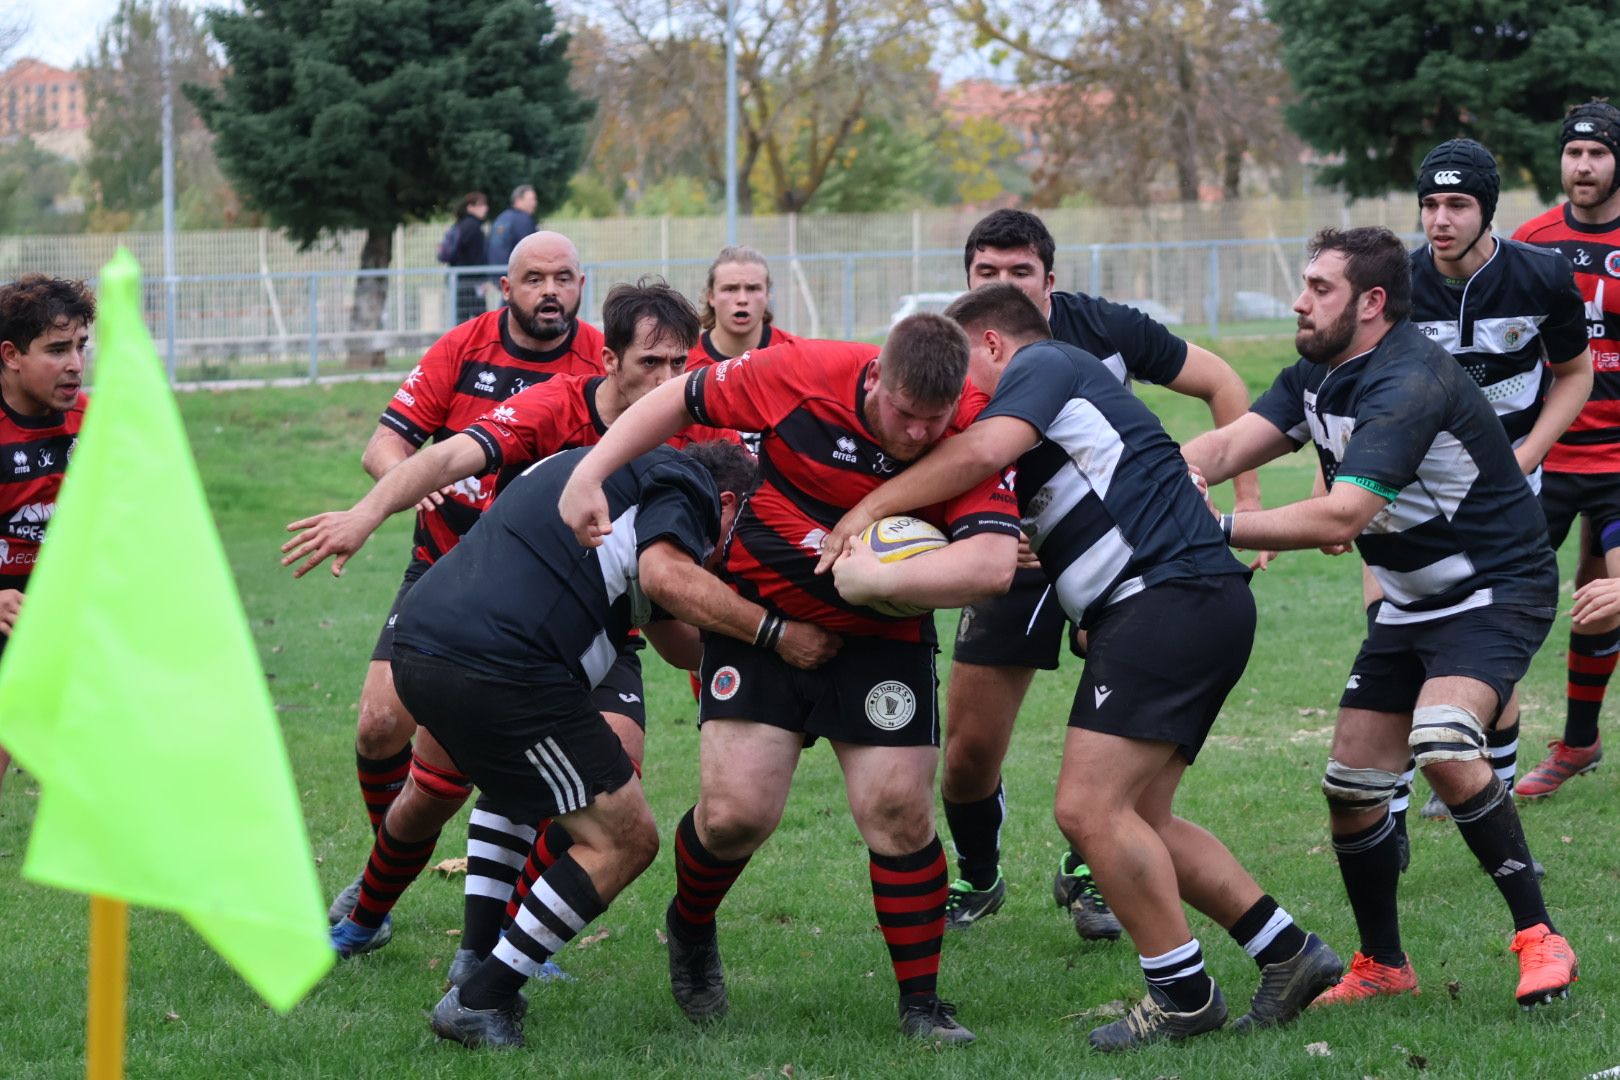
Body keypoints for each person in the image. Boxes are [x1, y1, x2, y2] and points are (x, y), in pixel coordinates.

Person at [814, 284, 1339, 1051]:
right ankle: (1288, 953)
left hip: (1169, 597)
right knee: (1143, 818)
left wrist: (865, 513)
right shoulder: (1049, 418)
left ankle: (1182, 996)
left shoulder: (1048, 361)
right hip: (1182, 602)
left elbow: (983, 451)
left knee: (1088, 809)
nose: (963, 399)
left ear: (991, 344)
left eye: (966, 376)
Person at [558, 317, 1024, 1044]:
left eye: (931, 423)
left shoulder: (971, 427)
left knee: (898, 811)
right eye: (902, 414)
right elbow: (680, 398)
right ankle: (691, 925)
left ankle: (922, 1006)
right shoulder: (802, 374)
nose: (913, 435)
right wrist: (589, 473)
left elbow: (994, 566)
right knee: (735, 817)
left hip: (883, 639)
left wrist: (869, 578)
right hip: (757, 621)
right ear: (875, 379)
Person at [1182, 226, 1578, 1011]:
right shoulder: (1316, 372)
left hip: (1495, 588)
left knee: (1440, 738)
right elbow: (1231, 445)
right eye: (1303, 283)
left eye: (1318, 288)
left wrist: (1209, 527)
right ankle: (1384, 965)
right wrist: (1174, 475)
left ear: (1370, 303)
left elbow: (1342, 518)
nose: (1300, 299)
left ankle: (1540, 936)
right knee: (1352, 785)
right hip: (1410, 600)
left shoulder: (1410, 380)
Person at [283, 281, 736, 961]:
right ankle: (367, 913)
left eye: (681, 365)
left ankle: (504, 940)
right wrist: (366, 513)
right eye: (652, 364)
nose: (671, 381)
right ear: (608, 360)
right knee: (432, 790)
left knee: (612, 779)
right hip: (502, 622)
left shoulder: (694, 426)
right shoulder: (555, 404)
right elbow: (445, 456)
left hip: (607, 633)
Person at [391, 438, 835, 1049]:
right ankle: (478, 999)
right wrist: (776, 633)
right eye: (744, 528)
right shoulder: (685, 482)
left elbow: (676, 637)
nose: (737, 553)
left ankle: (475, 960)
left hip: (420, 646)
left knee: (520, 789)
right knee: (626, 839)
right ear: (727, 500)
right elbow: (667, 577)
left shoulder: (606, 474)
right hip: (502, 665)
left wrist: (767, 677)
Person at [939, 208, 1261, 936]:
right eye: (988, 273)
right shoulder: (957, 348)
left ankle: (1092, 871)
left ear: (1050, 279)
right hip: (1016, 555)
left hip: (1127, 554)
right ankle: (981, 874)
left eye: (1020, 271)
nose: (1005, 283)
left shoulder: (1102, 330)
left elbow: (1222, 382)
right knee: (968, 752)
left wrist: (1231, 490)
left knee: (1110, 761)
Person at [305, 231, 601, 951]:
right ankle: (390, 861)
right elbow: (386, 443)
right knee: (379, 724)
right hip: (442, 568)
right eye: (534, 278)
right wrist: (403, 490)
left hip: (546, 593)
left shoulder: (601, 357)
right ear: (505, 288)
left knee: (521, 762)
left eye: (564, 277)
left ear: (582, 285)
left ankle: (508, 919)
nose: (550, 292)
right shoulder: (462, 347)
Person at [1401, 138, 1592, 824]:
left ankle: (1487, 782)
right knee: (1400, 632)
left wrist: (1529, 455)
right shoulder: (1396, 283)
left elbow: (1575, 373)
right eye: (1429, 204)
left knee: (1484, 637)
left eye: (1457, 204)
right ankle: (1397, 790)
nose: (1440, 219)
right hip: (1412, 496)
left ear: (1488, 210)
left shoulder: (1539, 276)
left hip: (1510, 492)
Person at [1512, 100, 1620, 800]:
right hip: (1544, 459)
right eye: (1574, 154)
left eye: (1599, 154)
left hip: (1618, 464)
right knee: (1502, 605)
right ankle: (1477, 760)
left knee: (1607, 599)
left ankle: (1578, 741)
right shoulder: (1531, 240)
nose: (1584, 166)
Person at [0, 275, 93, 796]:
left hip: (59, 619)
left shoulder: (90, 423)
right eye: (57, 349)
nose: (76, 364)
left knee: (115, 771)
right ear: (11, 355)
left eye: (81, 346)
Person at [439, 191, 490, 324]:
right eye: (481, 205)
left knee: (461, 320)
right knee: (482, 320)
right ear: (470, 207)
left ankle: (462, 344)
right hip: (472, 281)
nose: (485, 208)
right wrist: (483, 279)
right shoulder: (474, 227)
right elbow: (477, 257)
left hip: (458, 279)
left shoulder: (460, 225)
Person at [487, 185, 539, 280]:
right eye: (532, 199)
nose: (535, 203)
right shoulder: (523, 219)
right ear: (518, 200)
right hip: (517, 275)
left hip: (496, 274)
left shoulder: (501, 217)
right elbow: (531, 248)